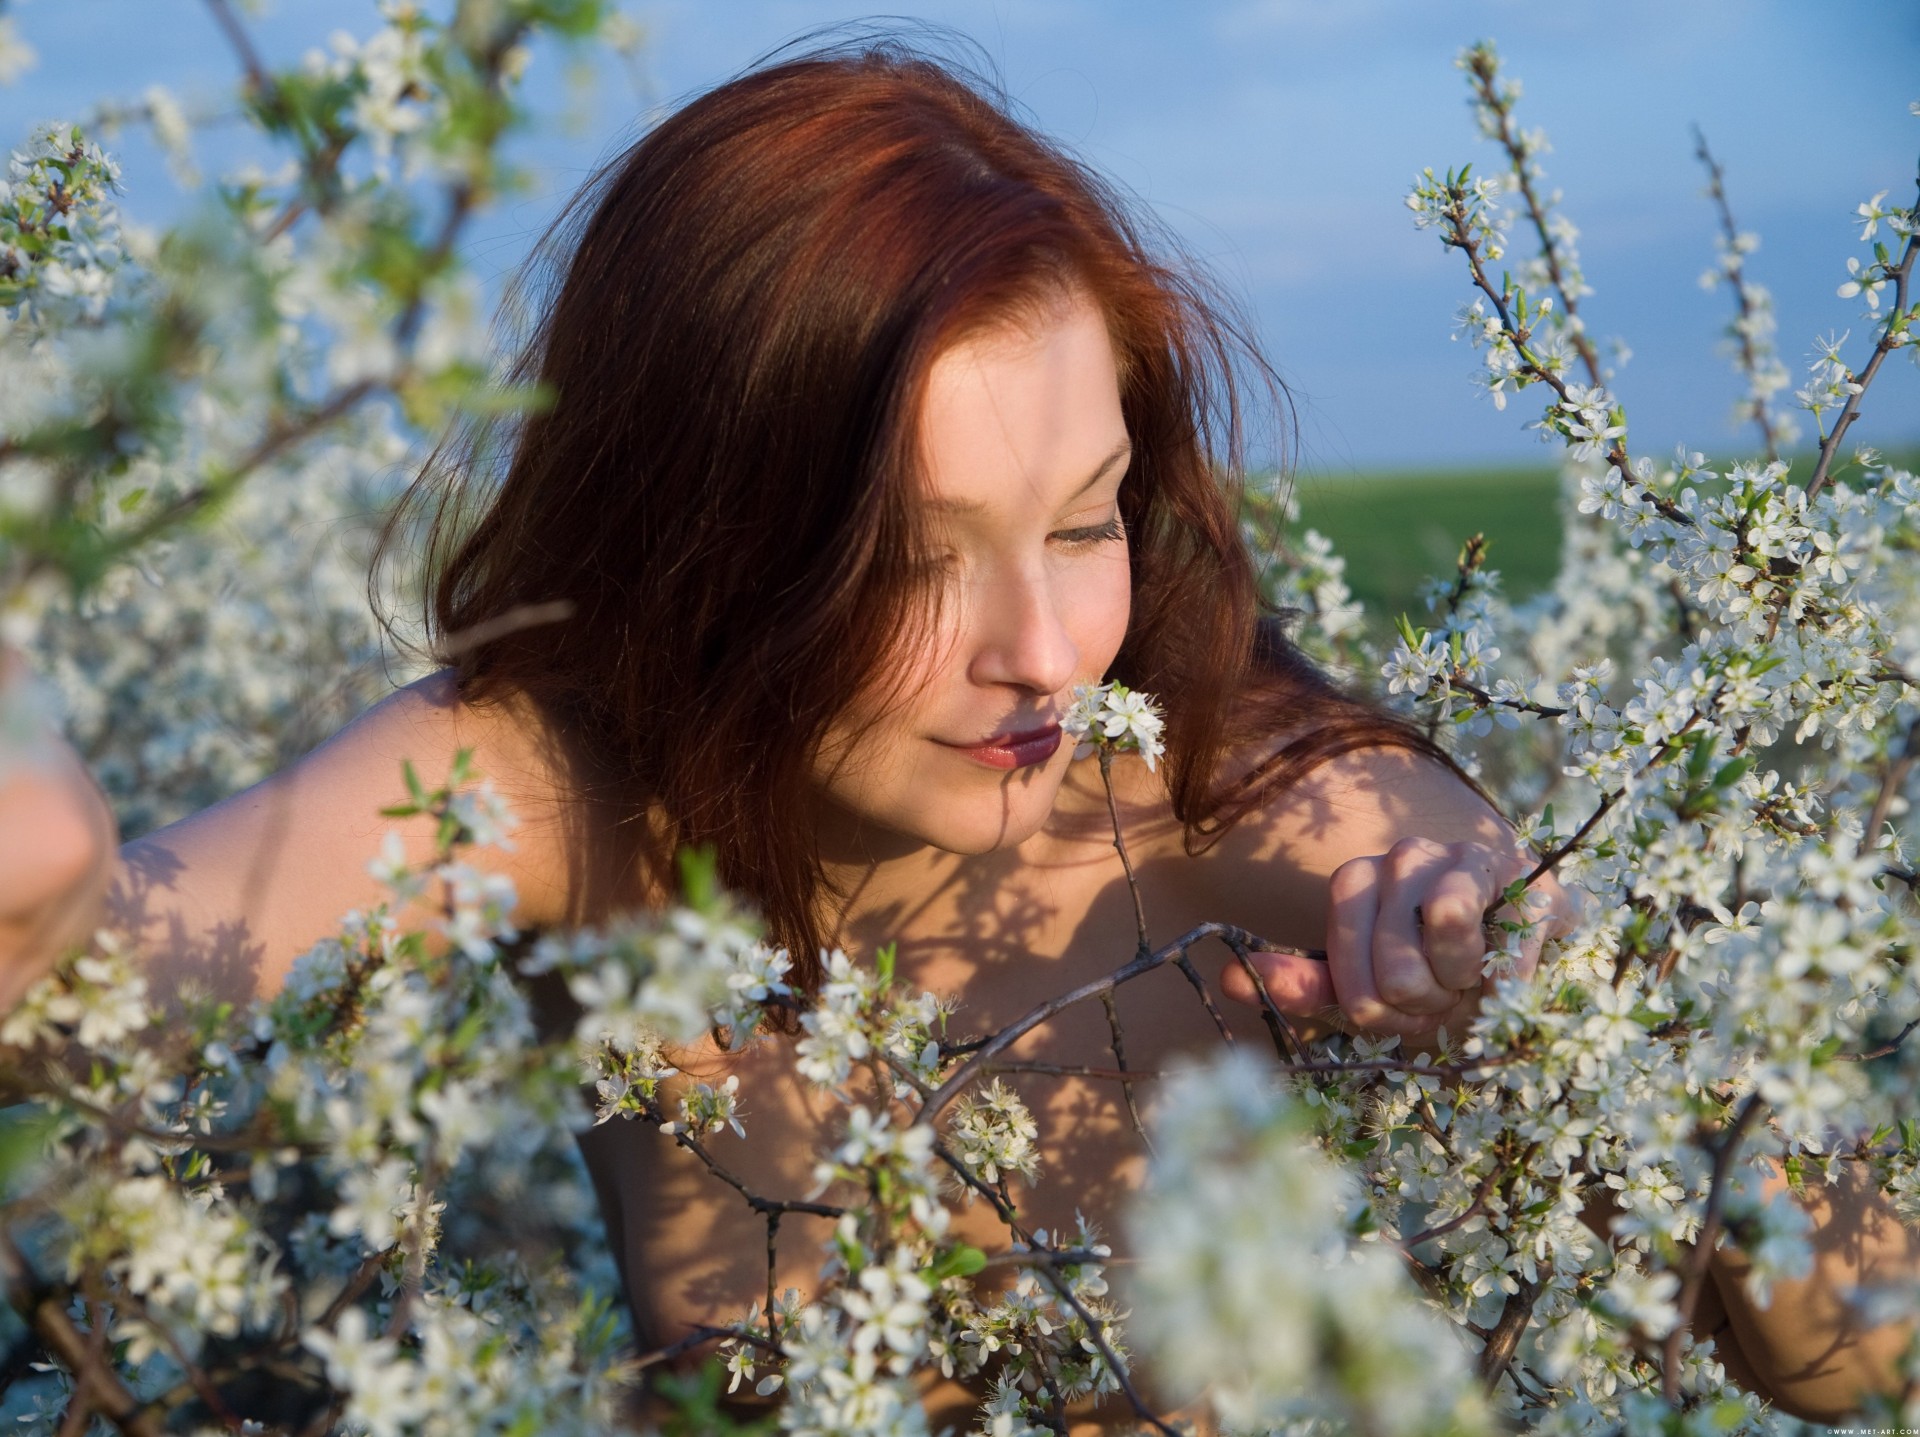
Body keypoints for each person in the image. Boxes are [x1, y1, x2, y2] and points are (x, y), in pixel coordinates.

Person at [0, 34, 1912, 1434]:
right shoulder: (575, 780)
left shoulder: (1262, 800)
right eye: (918, 556)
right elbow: (120, 966)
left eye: (1085, 521)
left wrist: (1595, 1019)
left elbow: (1866, 1347)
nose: (1045, 646)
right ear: (700, 538)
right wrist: (50, 894)